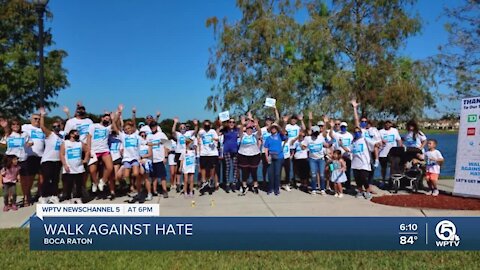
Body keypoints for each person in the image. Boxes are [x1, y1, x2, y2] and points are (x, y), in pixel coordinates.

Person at [351, 99, 381, 191]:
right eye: (362, 121)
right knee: (363, 172)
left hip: (371, 149)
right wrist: (355, 108)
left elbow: (377, 141)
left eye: (365, 121)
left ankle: (369, 187)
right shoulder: (361, 131)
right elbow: (356, 120)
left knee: (370, 170)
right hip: (364, 150)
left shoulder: (372, 130)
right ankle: (363, 188)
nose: (363, 123)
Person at [0, 119, 32, 206]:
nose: (15, 126)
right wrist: (5, 132)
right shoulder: (9, 134)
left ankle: (26, 197)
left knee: (25, 180)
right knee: (10, 180)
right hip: (10, 159)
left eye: (17, 124)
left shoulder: (24, 134)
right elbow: (2, 144)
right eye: (13, 124)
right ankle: (10, 200)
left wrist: (29, 144)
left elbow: (31, 142)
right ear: (11, 126)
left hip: (22, 158)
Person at [38, 107, 63, 204]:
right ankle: (43, 196)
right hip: (47, 160)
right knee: (47, 178)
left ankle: (54, 195)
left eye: (58, 126)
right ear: (52, 128)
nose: (56, 128)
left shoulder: (61, 137)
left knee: (56, 179)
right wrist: (42, 115)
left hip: (57, 160)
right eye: (54, 126)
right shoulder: (50, 134)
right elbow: (42, 127)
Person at [60, 129, 90, 204]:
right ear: (71, 134)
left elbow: (87, 151)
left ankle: (78, 197)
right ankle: (68, 198)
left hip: (79, 167)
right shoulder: (65, 143)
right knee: (69, 184)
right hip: (69, 167)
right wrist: (64, 164)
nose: (78, 135)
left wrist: (85, 159)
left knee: (79, 183)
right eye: (76, 133)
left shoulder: (80, 143)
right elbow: (61, 154)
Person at [88, 113, 114, 194]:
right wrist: (89, 150)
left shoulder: (108, 128)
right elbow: (89, 137)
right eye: (106, 118)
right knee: (92, 171)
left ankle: (102, 181)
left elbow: (116, 124)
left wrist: (118, 114)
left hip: (104, 150)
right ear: (102, 118)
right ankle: (95, 183)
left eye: (108, 119)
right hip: (94, 150)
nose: (107, 120)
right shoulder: (93, 126)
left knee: (110, 167)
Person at [21, 113, 46, 202]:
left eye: (39, 119)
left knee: (42, 177)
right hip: (30, 156)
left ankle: (39, 194)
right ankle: (27, 196)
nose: (37, 120)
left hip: (41, 156)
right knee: (29, 178)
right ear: (31, 119)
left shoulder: (42, 129)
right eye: (35, 119)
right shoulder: (25, 127)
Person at [302, 125, 331, 195]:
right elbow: (303, 146)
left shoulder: (321, 138)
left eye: (317, 133)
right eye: (314, 132)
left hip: (321, 158)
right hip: (312, 159)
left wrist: (329, 144)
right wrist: (304, 147)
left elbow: (325, 145)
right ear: (312, 132)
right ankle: (313, 189)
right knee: (313, 174)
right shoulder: (308, 138)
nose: (316, 134)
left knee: (321, 174)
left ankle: (322, 189)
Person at [171, 117, 198, 193]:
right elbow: (173, 131)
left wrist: (196, 124)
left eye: (184, 127)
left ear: (186, 128)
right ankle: (178, 184)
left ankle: (187, 184)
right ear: (179, 129)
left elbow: (195, 131)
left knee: (188, 169)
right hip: (179, 152)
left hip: (187, 152)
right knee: (179, 169)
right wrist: (175, 123)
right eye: (181, 127)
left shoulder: (188, 133)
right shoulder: (178, 134)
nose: (183, 128)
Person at [237, 118, 262, 195]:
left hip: (254, 155)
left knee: (254, 171)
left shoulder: (254, 135)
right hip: (243, 155)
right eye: (248, 129)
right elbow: (240, 131)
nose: (249, 130)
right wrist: (243, 124)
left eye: (251, 129)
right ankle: (244, 186)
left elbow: (260, 132)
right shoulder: (243, 135)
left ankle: (255, 185)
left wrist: (256, 125)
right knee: (244, 171)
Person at [328, 118, 354, 191]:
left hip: (347, 155)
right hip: (337, 157)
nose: (343, 128)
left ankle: (347, 186)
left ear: (346, 127)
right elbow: (330, 134)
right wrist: (331, 126)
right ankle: (336, 186)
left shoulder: (350, 135)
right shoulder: (337, 134)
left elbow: (352, 144)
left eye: (344, 127)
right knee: (335, 170)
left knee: (347, 171)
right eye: (342, 127)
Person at [351, 126, 376, 199]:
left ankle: (367, 191)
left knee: (363, 177)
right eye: (355, 132)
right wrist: (342, 145)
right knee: (357, 179)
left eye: (358, 132)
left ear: (361, 133)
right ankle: (360, 191)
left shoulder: (365, 139)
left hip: (364, 163)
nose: (357, 133)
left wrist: (378, 144)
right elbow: (349, 150)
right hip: (355, 163)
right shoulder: (353, 142)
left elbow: (374, 144)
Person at [146, 121, 169, 199]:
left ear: (157, 126)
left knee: (162, 176)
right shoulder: (148, 136)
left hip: (160, 158)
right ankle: (154, 190)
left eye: (154, 126)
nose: (153, 127)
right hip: (152, 159)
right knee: (153, 176)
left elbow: (167, 145)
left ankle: (164, 190)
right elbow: (147, 145)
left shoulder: (161, 134)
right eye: (151, 126)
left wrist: (165, 157)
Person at [264, 123, 288, 195]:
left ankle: (276, 189)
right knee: (270, 174)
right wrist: (266, 157)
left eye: (275, 128)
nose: (273, 129)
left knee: (277, 174)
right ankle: (270, 188)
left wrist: (284, 122)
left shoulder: (280, 136)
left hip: (279, 157)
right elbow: (266, 148)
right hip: (271, 156)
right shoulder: (268, 138)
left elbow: (283, 133)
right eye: (272, 128)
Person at [284, 114, 306, 190]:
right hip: (288, 147)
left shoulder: (297, 127)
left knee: (296, 166)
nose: (293, 120)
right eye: (292, 119)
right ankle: (288, 181)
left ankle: (295, 180)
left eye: (295, 119)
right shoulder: (287, 126)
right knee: (288, 166)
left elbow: (304, 129)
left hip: (296, 147)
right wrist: (284, 121)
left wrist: (301, 120)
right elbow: (283, 130)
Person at [198, 120, 219, 193]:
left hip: (212, 152)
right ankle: (204, 181)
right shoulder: (201, 132)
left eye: (208, 125)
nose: (207, 126)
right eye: (205, 125)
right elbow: (198, 139)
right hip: (204, 152)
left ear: (210, 125)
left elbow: (217, 139)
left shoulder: (213, 131)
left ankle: (211, 179)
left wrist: (213, 139)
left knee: (212, 167)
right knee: (203, 167)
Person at [378, 120, 403, 186]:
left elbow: (399, 140)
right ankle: (383, 180)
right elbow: (377, 141)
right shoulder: (380, 132)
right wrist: (381, 141)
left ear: (391, 124)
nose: (388, 124)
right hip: (383, 153)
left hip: (393, 153)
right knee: (383, 168)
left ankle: (391, 180)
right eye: (386, 123)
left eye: (389, 123)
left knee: (392, 167)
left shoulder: (395, 131)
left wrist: (400, 148)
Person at [220, 117, 241, 192]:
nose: (231, 123)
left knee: (235, 167)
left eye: (233, 122)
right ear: (228, 123)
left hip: (235, 150)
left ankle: (234, 183)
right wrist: (221, 125)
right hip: (226, 150)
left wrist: (242, 123)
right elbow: (217, 133)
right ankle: (227, 183)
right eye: (230, 122)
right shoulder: (224, 130)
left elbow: (242, 131)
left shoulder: (237, 130)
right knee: (228, 167)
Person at [138, 131, 153, 200]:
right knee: (139, 179)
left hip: (146, 162)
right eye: (141, 136)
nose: (143, 137)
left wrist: (142, 156)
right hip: (138, 162)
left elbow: (150, 154)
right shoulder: (137, 145)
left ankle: (149, 193)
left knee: (146, 179)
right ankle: (139, 193)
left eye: (144, 136)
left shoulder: (148, 145)